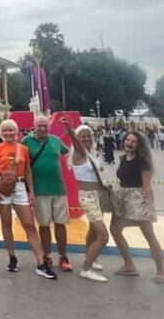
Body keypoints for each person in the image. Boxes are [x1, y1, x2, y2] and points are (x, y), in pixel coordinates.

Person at [0, 119, 56, 279]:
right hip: (3, 186)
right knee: (6, 224)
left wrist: (31, 192)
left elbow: (27, 172)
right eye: (4, 130)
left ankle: (41, 262)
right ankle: (12, 257)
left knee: (30, 226)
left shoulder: (23, 149)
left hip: (19, 187)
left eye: (11, 130)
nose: (8, 133)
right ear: (1, 133)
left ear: (17, 131)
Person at [110, 131, 164, 284]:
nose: (129, 143)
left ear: (139, 145)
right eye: (127, 139)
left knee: (149, 234)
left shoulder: (143, 161)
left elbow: (147, 186)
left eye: (133, 141)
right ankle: (129, 265)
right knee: (115, 230)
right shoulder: (123, 158)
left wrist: (150, 207)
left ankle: (161, 271)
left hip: (138, 198)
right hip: (122, 197)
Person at [61, 118, 109, 282]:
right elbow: (76, 141)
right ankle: (86, 269)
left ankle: (91, 257)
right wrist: (69, 129)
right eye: (83, 137)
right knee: (103, 236)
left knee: (93, 230)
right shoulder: (79, 152)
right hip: (88, 197)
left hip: (96, 196)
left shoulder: (90, 154)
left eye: (89, 136)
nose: (87, 139)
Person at [23, 115, 72, 272]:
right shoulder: (26, 142)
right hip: (39, 190)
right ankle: (46, 254)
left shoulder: (56, 141)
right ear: (34, 126)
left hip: (58, 189)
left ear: (49, 126)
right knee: (43, 225)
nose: (43, 128)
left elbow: (70, 152)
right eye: (40, 126)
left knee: (60, 224)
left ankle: (63, 256)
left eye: (45, 125)